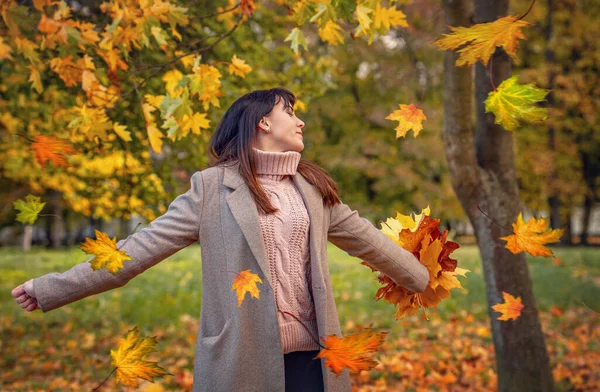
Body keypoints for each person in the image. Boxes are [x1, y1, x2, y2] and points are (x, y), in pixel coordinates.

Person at [12, 87, 430, 391]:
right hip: (243, 357)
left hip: (316, 357)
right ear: (263, 121)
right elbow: (136, 252)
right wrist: (50, 288)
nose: (301, 121)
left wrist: (424, 278)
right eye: (290, 111)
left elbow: (368, 240)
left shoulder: (312, 186)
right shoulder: (211, 188)